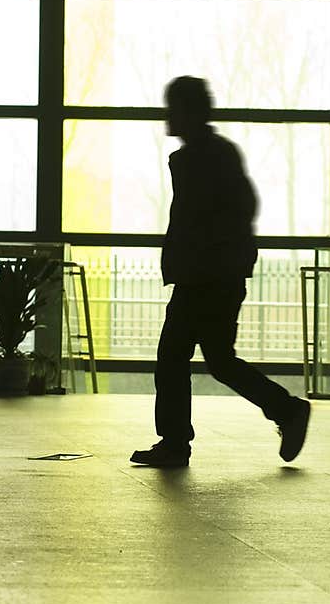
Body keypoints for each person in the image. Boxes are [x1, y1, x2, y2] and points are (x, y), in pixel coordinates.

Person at [131, 76, 311, 468]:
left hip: (205, 277)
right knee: (217, 360)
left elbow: (203, 220)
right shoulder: (208, 155)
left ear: (188, 111)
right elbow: (239, 209)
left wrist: (197, 261)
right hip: (215, 275)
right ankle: (285, 410)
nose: (167, 115)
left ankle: (177, 442)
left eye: (172, 107)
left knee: (175, 356)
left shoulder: (200, 158)